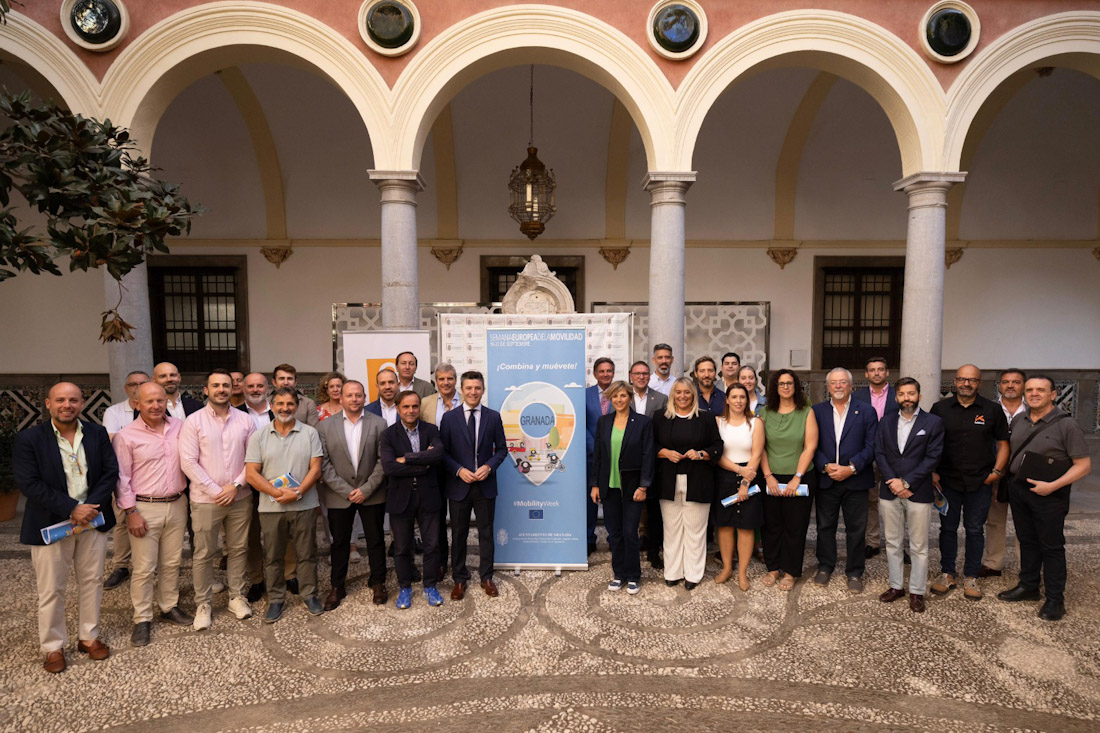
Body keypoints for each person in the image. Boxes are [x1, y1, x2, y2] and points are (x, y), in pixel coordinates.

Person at [14, 382, 118, 673]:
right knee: (51, 589)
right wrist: (71, 508)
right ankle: (52, 646)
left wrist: (88, 508)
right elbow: (29, 483)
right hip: (51, 524)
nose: (67, 405)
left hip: (92, 522)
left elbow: (111, 472)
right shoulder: (29, 439)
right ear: (48, 404)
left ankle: (89, 637)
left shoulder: (96, 434)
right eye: (60, 400)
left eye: (73, 400)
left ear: (82, 403)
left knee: (92, 582)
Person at [997, 376, 1091, 622]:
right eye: (1029, 390)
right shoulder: (1019, 419)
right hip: (1020, 490)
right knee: (1026, 540)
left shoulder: (1067, 425)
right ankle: (1028, 586)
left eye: (1041, 390)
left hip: (1050, 494)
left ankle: (1055, 599)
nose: (1034, 393)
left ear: (1053, 394)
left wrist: (1053, 486)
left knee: (1051, 546)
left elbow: (1083, 465)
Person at [113, 383, 194, 646]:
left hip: (178, 503)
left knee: (172, 562)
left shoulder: (180, 428)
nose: (156, 405)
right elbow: (122, 478)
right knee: (144, 568)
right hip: (144, 506)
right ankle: (142, 618)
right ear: (137, 403)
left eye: (160, 400)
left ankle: (168, 606)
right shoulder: (126, 436)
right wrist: (131, 512)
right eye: (149, 401)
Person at [180, 369, 257, 630]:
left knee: (238, 548)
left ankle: (236, 596)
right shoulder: (193, 421)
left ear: (234, 388)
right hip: (205, 499)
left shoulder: (246, 421)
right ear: (206, 390)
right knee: (203, 553)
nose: (221, 389)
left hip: (240, 496)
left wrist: (235, 485)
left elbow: (253, 459)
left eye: (226, 385)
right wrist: (216, 490)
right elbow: (188, 461)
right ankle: (204, 604)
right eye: (216, 385)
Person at [929, 364, 1010, 600]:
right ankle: (947, 573)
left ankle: (972, 576)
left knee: (975, 530)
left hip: (980, 482)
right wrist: (932, 472)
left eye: (972, 380)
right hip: (948, 482)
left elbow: (1004, 444)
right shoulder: (940, 408)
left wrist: (996, 472)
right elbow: (931, 442)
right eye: (963, 379)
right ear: (955, 382)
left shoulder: (992, 410)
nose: (967, 384)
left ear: (979, 383)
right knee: (947, 529)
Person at [245, 387, 324, 622]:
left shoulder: (309, 433)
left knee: (307, 553)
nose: (284, 408)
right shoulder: (259, 436)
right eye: (279, 404)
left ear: (297, 407)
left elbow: (316, 469)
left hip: (304, 504)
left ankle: (310, 594)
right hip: (271, 508)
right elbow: (251, 473)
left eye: (290, 404)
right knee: (272, 556)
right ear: (272, 406)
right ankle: (276, 599)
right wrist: (277, 493)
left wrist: (297, 492)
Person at [874, 378, 944, 614]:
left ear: (919, 396)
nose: (907, 398)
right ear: (896, 398)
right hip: (889, 490)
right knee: (892, 542)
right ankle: (896, 586)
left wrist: (906, 482)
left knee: (919, 545)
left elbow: (932, 457)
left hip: (918, 492)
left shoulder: (933, 423)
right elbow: (880, 453)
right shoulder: (885, 421)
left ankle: (916, 591)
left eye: (911, 393)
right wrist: (893, 481)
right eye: (902, 394)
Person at [317, 380, 389, 609]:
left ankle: (378, 582)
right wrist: (348, 491)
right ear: (341, 398)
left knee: (376, 540)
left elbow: (382, 461)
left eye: (358, 395)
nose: (354, 399)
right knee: (339, 543)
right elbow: (324, 464)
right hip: (340, 496)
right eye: (349, 395)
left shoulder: (379, 424)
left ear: (365, 397)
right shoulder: (326, 427)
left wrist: (366, 489)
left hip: (372, 493)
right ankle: (337, 586)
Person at [440, 371, 508, 599]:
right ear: (461, 390)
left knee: (486, 533)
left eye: (477, 388)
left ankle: (486, 576)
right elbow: (444, 453)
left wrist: (488, 467)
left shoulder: (493, 417)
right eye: (468, 388)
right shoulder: (450, 418)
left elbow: (502, 450)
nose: (473, 392)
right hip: (459, 486)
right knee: (458, 534)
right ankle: (459, 579)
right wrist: (459, 470)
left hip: (485, 485)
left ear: (483, 390)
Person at [811, 368, 878, 592]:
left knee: (856, 529)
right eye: (833, 383)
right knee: (824, 526)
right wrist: (825, 465)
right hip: (827, 478)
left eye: (843, 383)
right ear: (827, 387)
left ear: (851, 386)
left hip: (856, 480)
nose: (838, 386)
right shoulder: (816, 411)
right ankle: (825, 566)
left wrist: (851, 468)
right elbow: (811, 444)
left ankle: (855, 571)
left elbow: (872, 446)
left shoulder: (866, 412)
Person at [652, 377, 722, 590]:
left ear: (694, 395)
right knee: (671, 529)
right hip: (668, 481)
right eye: (679, 392)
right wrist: (663, 452)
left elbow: (718, 445)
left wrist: (701, 453)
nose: (683, 396)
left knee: (695, 530)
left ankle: (693, 573)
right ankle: (673, 571)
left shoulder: (706, 418)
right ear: (673, 394)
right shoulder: (660, 417)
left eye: (687, 392)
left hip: (698, 481)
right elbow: (650, 444)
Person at [381, 391, 446, 609]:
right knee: (401, 547)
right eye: (406, 407)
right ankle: (405, 588)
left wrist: (407, 459)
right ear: (398, 408)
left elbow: (437, 455)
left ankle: (430, 586)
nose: (411, 411)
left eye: (415, 406)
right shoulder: (388, 435)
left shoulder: (432, 430)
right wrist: (422, 464)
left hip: (429, 495)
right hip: (401, 497)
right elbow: (389, 467)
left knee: (432, 545)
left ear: (419, 408)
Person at [590, 380, 654, 595]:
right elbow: (598, 456)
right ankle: (619, 574)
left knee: (630, 532)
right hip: (609, 487)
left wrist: (644, 486)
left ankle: (633, 575)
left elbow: (648, 456)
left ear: (630, 397)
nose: (619, 400)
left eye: (623, 396)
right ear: (610, 399)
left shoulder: (643, 423)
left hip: (632, 488)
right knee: (614, 533)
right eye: (615, 396)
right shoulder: (604, 422)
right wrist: (595, 485)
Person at [759, 369, 819, 592]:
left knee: (795, 526)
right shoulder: (764, 413)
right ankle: (773, 567)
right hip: (771, 477)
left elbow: (810, 446)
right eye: (781, 383)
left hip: (800, 478)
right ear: (775, 387)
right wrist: (768, 476)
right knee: (771, 525)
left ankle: (791, 570)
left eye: (790, 383)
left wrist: (797, 477)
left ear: (796, 386)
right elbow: (760, 448)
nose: (785, 387)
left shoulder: (806, 412)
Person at [713, 383, 764, 591]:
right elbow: (717, 454)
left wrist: (745, 481)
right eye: (733, 397)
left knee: (746, 525)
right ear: (727, 399)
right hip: (724, 476)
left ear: (747, 399)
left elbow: (757, 454)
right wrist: (737, 470)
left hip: (750, 477)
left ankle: (742, 572)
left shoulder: (756, 422)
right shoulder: (718, 422)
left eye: (742, 397)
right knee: (725, 525)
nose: (738, 401)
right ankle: (727, 568)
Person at [102, 369, 149, 591]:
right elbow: (112, 440)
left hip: (150, 477)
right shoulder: (114, 412)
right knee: (122, 521)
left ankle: (149, 562)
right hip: (123, 475)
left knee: (151, 523)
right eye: (133, 384)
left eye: (142, 383)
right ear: (126, 388)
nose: (137, 387)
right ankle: (121, 565)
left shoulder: (158, 407)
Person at [981, 368, 1028, 578]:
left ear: (1023, 386)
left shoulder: (1033, 410)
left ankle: (1026, 566)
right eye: (1006, 382)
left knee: (1025, 522)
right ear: (999, 386)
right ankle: (992, 563)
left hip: (1024, 475)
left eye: (1016, 382)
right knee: (994, 520)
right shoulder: (989, 409)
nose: (1010, 386)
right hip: (995, 473)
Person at [853, 356, 897, 559]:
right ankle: (872, 541)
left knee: (895, 501)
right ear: (866, 374)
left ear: (887, 372)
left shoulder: (899, 395)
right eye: (872, 370)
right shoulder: (858, 397)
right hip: (868, 453)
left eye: (880, 369)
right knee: (870, 499)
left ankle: (896, 543)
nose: (877, 373)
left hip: (893, 455)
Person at [420, 362, 461, 582]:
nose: (446, 383)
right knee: (435, 519)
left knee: (458, 520)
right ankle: (440, 562)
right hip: (433, 471)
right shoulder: (425, 403)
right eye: (441, 379)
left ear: (456, 380)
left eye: (450, 378)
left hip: (459, 470)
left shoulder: (467, 400)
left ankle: (458, 564)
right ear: (436, 381)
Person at [237, 372, 272, 602]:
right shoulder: (235, 414)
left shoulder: (280, 409)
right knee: (251, 537)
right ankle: (257, 580)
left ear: (268, 388)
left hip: (278, 483)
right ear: (243, 388)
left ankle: (288, 575)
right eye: (251, 386)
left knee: (283, 535)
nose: (255, 389)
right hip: (246, 486)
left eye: (260, 385)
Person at [585, 357, 616, 554]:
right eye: (602, 371)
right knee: (590, 500)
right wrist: (595, 447)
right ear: (595, 374)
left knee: (612, 499)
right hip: (590, 457)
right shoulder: (584, 395)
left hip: (615, 456)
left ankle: (614, 538)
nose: (606, 374)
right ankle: (589, 538)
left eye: (609, 371)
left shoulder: (621, 393)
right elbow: (579, 424)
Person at [273, 363, 319, 428]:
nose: (286, 383)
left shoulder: (308, 404)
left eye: (289, 379)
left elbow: (313, 432)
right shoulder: (266, 403)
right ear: (274, 382)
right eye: (281, 378)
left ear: (295, 382)